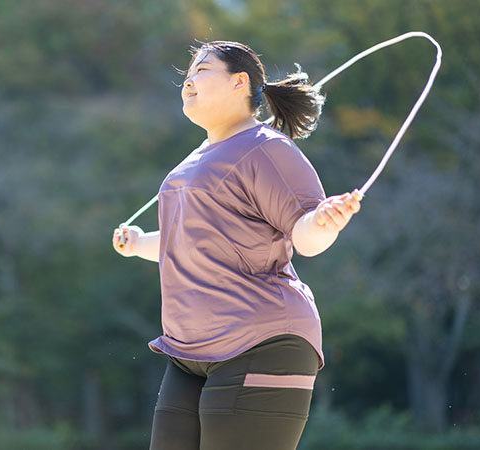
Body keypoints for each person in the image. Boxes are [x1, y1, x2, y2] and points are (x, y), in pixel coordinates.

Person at [112, 41, 361, 450]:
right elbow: (190, 244)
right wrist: (138, 243)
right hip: (188, 353)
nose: (188, 82)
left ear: (239, 82)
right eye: (186, 76)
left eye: (202, 70)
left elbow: (305, 236)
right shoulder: (192, 161)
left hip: (261, 342)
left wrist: (324, 221)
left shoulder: (268, 148)